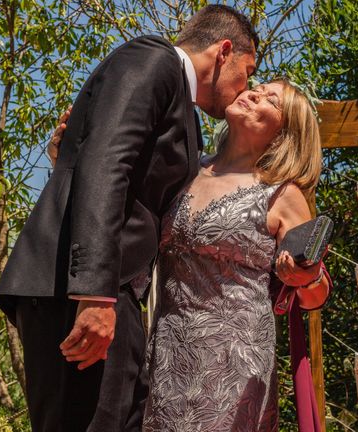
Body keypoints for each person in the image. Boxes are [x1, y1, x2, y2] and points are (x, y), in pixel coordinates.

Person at [0, 5, 259, 432]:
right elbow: (107, 162)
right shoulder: (154, 59)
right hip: (79, 290)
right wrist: (95, 295)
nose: (245, 89)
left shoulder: (188, 117)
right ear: (224, 51)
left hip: (120, 295)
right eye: (247, 72)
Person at [49, 79, 331, 431]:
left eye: (271, 100)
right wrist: (74, 162)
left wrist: (307, 277)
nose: (254, 93)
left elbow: (315, 292)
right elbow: (119, 212)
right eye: (257, 87)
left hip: (235, 366)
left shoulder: (283, 194)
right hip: (166, 353)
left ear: (285, 133)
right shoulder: (185, 170)